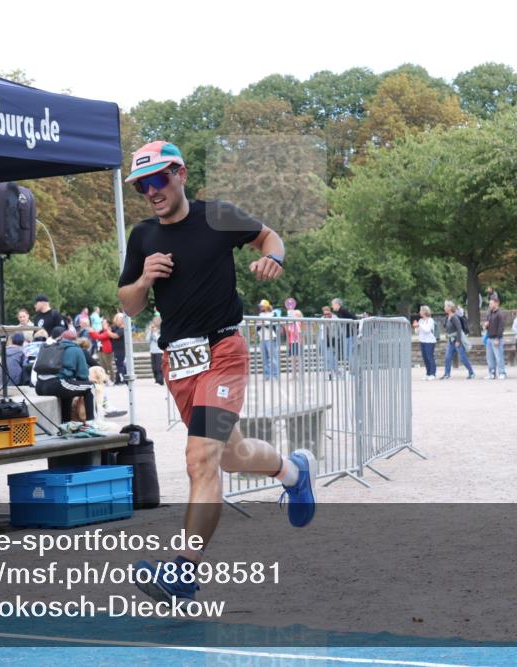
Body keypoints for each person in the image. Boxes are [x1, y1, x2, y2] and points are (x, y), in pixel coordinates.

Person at [116, 140, 315, 605]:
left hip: (223, 351)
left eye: (158, 179)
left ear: (180, 173)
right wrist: (144, 280)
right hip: (179, 366)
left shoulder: (217, 216)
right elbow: (128, 304)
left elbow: (270, 237)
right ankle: (292, 471)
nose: (151, 191)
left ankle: (183, 571)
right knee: (231, 455)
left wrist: (274, 258)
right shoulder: (143, 237)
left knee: (200, 459)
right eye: (142, 184)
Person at [34, 329, 95, 423]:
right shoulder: (76, 350)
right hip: (55, 384)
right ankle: (91, 423)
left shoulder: (52, 347)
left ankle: (66, 423)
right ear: (75, 339)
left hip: (39, 386)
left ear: (61, 338)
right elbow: (83, 375)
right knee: (90, 386)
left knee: (68, 386)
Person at [441, 300, 474, 379]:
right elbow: (446, 327)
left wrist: (458, 341)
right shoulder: (447, 317)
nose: (444, 308)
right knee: (447, 357)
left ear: (449, 308)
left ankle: (471, 373)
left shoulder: (455, 317)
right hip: (451, 341)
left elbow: (459, 329)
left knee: (463, 357)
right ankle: (447, 374)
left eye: (445, 306)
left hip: (456, 340)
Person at [482, 296, 507, 379]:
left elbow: (501, 327)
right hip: (489, 337)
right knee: (490, 357)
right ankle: (491, 373)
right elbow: (486, 324)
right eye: (489, 303)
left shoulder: (500, 313)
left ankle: (502, 372)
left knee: (499, 357)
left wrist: (498, 338)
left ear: (497, 303)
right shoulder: (489, 313)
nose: (490, 305)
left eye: (491, 303)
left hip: (497, 338)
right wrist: (485, 325)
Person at [256, 299, 280, 380]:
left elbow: (273, 326)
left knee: (273, 358)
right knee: (264, 358)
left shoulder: (273, 314)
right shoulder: (260, 315)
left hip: (271, 338)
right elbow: (257, 327)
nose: (260, 307)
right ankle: (267, 375)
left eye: (262, 306)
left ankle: (275, 374)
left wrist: (263, 323)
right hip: (262, 338)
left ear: (266, 306)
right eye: (260, 306)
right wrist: (261, 324)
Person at [414, 305, 437, 380]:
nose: (419, 312)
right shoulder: (421, 320)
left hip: (430, 342)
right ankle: (428, 373)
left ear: (424, 312)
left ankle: (433, 374)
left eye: (421, 311)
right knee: (425, 358)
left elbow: (427, 330)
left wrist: (419, 325)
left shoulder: (430, 320)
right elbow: (417, 332)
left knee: (429, 357)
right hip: (422, 341)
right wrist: (416, 327)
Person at [147, 315, 164, 385]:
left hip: (159, 351)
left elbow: (158, 340)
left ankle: (160, 380)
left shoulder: (160, 332)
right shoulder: (151, 333)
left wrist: (155, 333)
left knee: (159, 367)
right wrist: (150, 332)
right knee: (154, 367)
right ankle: (156, 380)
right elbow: (147, 340)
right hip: (152, 351)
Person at [110, 313, 128, 384]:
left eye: (117, 319)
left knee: (120, 365)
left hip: (120, 351)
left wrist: (106, 331)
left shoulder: (122, 329)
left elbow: (115, 336)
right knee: (120, 365)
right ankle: (121, 380)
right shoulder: (117, 328)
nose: (116, 321)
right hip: (117, 350)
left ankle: (121, 380)